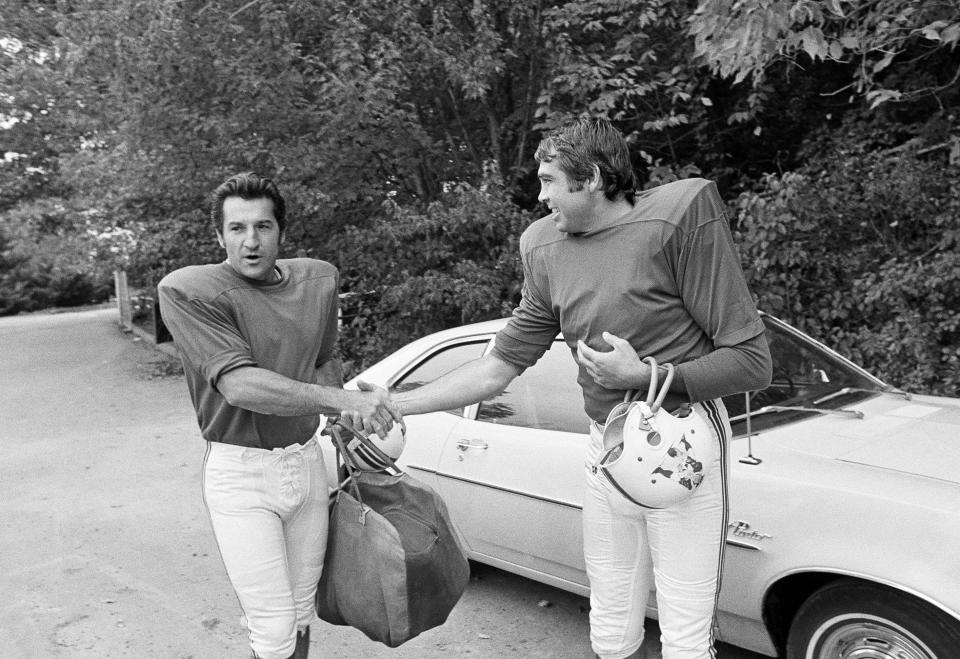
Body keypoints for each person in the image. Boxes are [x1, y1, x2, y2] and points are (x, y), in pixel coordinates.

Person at [393, 118, 772, 659]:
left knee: (686, 636)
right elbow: (497, 366)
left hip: (682, 439)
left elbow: (753, 363)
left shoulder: (675, 222)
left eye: (549, 181)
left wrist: (645, 377)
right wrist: (393, 403)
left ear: (592, 177)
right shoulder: (544, 249)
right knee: (611, 622)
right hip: (606, 443)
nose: (540, 196)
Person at [157, 172, 401, 659]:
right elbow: (242, 385)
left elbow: (322, 360)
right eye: (237, 228)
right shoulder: (187, 291)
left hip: (305, 462)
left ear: (281, 232)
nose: (251, 241)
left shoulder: (318, 279)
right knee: (272, 629)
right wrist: (346, 401)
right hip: (240, 473)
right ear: (219, 235)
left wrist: (342, 424)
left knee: (301, 613)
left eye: (263, 227)